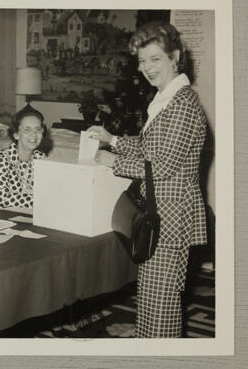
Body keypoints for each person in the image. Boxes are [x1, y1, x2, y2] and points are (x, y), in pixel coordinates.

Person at [88, 21, 207, 338]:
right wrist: (113, 139)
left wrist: (116, 163)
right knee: (153, 293)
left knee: (163, 300)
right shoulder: (166, 99)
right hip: (159, 211)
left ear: (175, 57)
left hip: (171, 215)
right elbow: (149, 147)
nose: (146, 68)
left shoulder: (182, 105)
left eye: (155, 59)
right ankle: (147, 342)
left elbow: (163, 165)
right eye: (142, 61)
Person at [0, 105, 48, 214]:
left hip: (25, 217)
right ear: (16, 134)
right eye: (27, 129)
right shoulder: (0, 159)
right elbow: (3, 199)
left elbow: (47, 191)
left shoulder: (41, 158)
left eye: (38, 129)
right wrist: (43, 202)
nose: (34, 135)